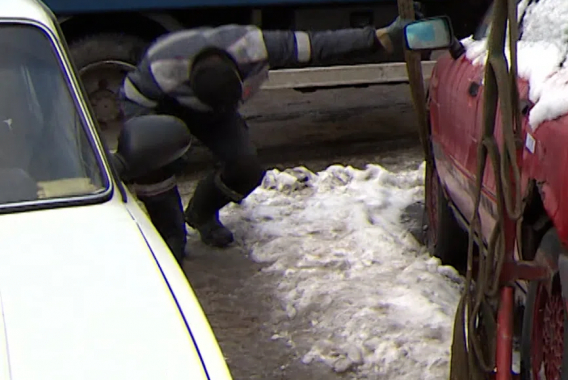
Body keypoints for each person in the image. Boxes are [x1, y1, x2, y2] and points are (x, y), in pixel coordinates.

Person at [119, 18, 415, 262]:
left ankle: (201, 213)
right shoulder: (160, 69)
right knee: (155, 172)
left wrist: (377, 39)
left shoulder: (252, 47)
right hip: (159, 107)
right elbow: (134, 106)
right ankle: (170, 238)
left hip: (215, 109)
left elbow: (316, 44)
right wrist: (151, 152)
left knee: (246, 166)